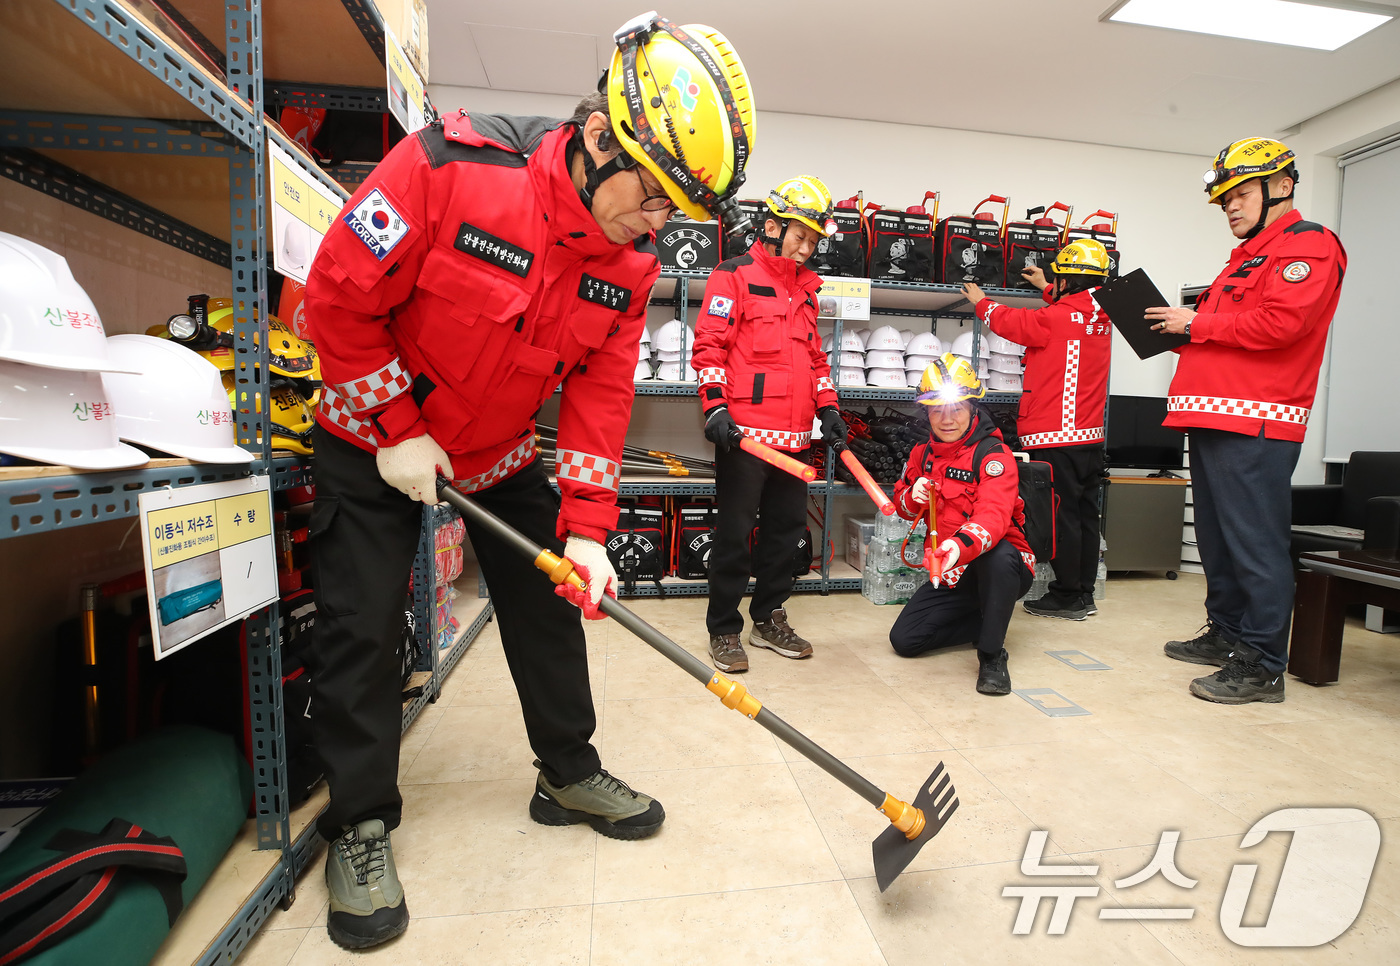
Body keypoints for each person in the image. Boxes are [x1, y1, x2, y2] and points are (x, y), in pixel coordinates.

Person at [302, 13, 755, 949]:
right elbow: (335, 299)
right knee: (363, 625)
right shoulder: (446, 169)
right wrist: (393, 430)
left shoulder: (627, 264)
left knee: (553, 606)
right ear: (598, 138)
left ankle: (567, 770)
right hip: (372, 441)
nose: (660, 225)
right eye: (655, 196)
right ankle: (358, 824)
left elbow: (599, 399)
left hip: (498, 457)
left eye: (678, 211)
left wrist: (588, 529)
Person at [1146, 137, 1346, 705]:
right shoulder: (1246, 255)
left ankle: (1262, 665)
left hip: (1256, 421)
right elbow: (1231, 334)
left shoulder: (1310, 245)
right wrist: (1177, 334)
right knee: (1217, 541)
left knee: (1254, 546)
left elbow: (1282, 325)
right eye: (1224, 197)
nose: (1230, 205)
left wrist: (1198, 325)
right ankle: (1228, 634)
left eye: (1240, 193)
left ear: (1281, 186)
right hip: (1211, 416)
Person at [691, 175, 845, 672]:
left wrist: (830, 408)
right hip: (747, 439)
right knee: (735, 536)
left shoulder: (808, 292)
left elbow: (815, 361)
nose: (806, 249)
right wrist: (715, 407)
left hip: (796, 439)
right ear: (774, 227)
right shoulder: (732, 275)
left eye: (815, 241)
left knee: (787, 535)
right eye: (800, 236)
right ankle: (723, 629)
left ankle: (768, 617)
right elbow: (710, 346)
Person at [962, 239, 1112, 621]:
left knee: (1061, 520)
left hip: (1055, 436)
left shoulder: (1053, 319)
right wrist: (1047, 285)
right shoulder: (1101, 316)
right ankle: (1083, 592)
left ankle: (1067, 596)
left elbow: (1014, 322)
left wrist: (980, 300)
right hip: (1089, 437)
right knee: (1083, 517)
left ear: (1068, 282)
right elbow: (1072, 306)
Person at [888, 355, 1036, 695]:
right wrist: (914, 496)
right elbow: (903, 507)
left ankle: (992, 655)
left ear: (972, 408)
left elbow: (993, 518)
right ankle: (985, 621)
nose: (947, 418)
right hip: (952, 572)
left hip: (1003, 568)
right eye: (937, 410)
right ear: (927, 413)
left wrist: (956, 546)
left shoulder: (993, 456)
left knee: (997, 556)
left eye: (956, 408)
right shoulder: (921, 455)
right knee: (906, 640)